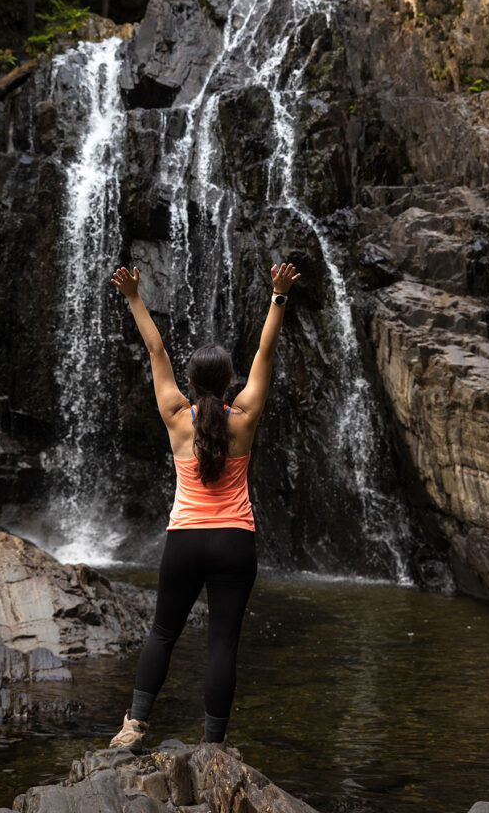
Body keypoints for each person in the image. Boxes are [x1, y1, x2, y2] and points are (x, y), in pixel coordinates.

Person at [108, 260, 300, 751]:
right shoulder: (246, 417)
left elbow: (155, 349)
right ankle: (213, 746)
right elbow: (266, 350)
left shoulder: (176, 416)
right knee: (223, 644)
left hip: (185, 540)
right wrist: (278, 296)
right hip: (235, 541)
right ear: (230, 381)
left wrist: (134, 297)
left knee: (164, 632)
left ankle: (134, 726)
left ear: (190, 382)